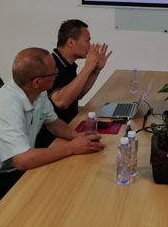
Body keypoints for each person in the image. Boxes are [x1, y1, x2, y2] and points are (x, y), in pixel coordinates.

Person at [0, 47, 106, 220]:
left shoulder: (36, 92)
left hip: (12, 169)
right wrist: (72, 148)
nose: (57, 73)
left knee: (67, 180)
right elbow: (22, 161)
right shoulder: (6, 107)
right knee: (55, 200)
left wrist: (79, 137)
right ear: (37, 81)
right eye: (54, 71)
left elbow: (53, 124)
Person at [36, 19, 112, 147]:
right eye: (87, 41)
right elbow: (61, 102)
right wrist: (87, 68)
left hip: (70, 125)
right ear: (71, 41)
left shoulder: (68, 64)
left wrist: (96, 69)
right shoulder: (52, 65)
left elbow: (78, 94)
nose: (90, 46)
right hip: (52, 137)